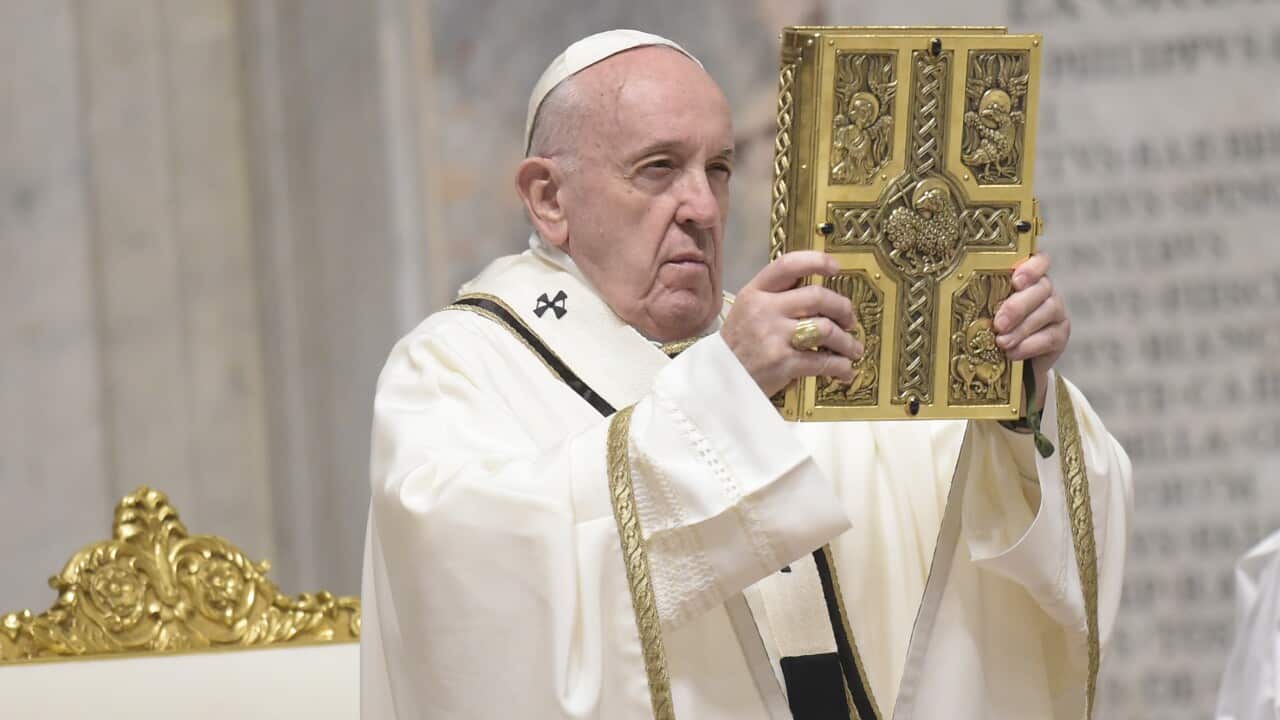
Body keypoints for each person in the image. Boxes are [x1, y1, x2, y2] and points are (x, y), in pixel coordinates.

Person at [360, 29, 1133, 720]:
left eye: (719, 168)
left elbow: (967, 539)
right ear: (548, 197)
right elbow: (468, 596)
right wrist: (726, 392)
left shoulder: (804, 349)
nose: (702, 206)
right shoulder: (456, 368)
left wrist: (1011, 397)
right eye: (659, 169)